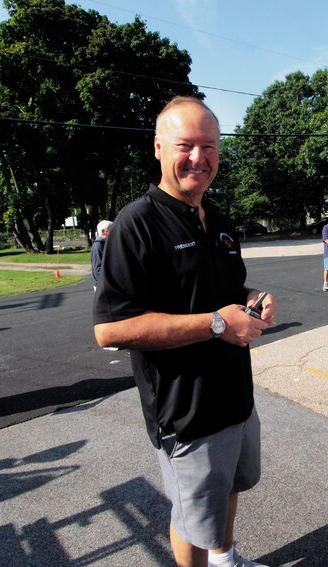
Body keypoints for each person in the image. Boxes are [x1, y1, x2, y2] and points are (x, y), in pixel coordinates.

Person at [93, 96, 276, 567]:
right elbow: (110, 329)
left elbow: (227, 290)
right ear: (158, 148)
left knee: (230, 488)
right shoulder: (137, 224)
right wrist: (217, 324)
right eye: (186, 145)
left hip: (235, 396)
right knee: (191, 515)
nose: (199, 157)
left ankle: (225, 558)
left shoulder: (217, 219)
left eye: (210, 146)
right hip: (185, 412)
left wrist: (255, 299)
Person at [90, 219, 113, 291]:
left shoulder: (104, 244)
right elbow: (98, 269)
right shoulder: (98, 245)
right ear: (103, 232)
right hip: (102, 286)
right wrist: (107, 284)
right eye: (111, 230)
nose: (113, 232)